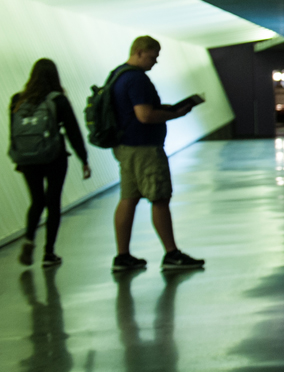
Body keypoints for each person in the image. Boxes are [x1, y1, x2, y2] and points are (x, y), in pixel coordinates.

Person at [110, 36, 204, 271]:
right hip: (145, 149)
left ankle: (122, 256)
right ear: (140, 52)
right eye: (153, 56)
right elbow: (144, 115)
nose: (156, 62)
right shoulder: (137, 79)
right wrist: (176, 114)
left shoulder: (117, 75)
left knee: (128, 199)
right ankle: (171, 254)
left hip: (125, 148)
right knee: (160, 198)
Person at [9, 58, 91, 267]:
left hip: (27, 160)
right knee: (52, 202)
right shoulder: (57, 100)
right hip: (53, 157)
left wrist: (19, 157)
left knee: (36, 201)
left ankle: (29, 239)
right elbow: (73, 132)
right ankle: (49, 254)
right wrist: (84, 159)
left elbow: (14, 133)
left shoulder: (17, 99)